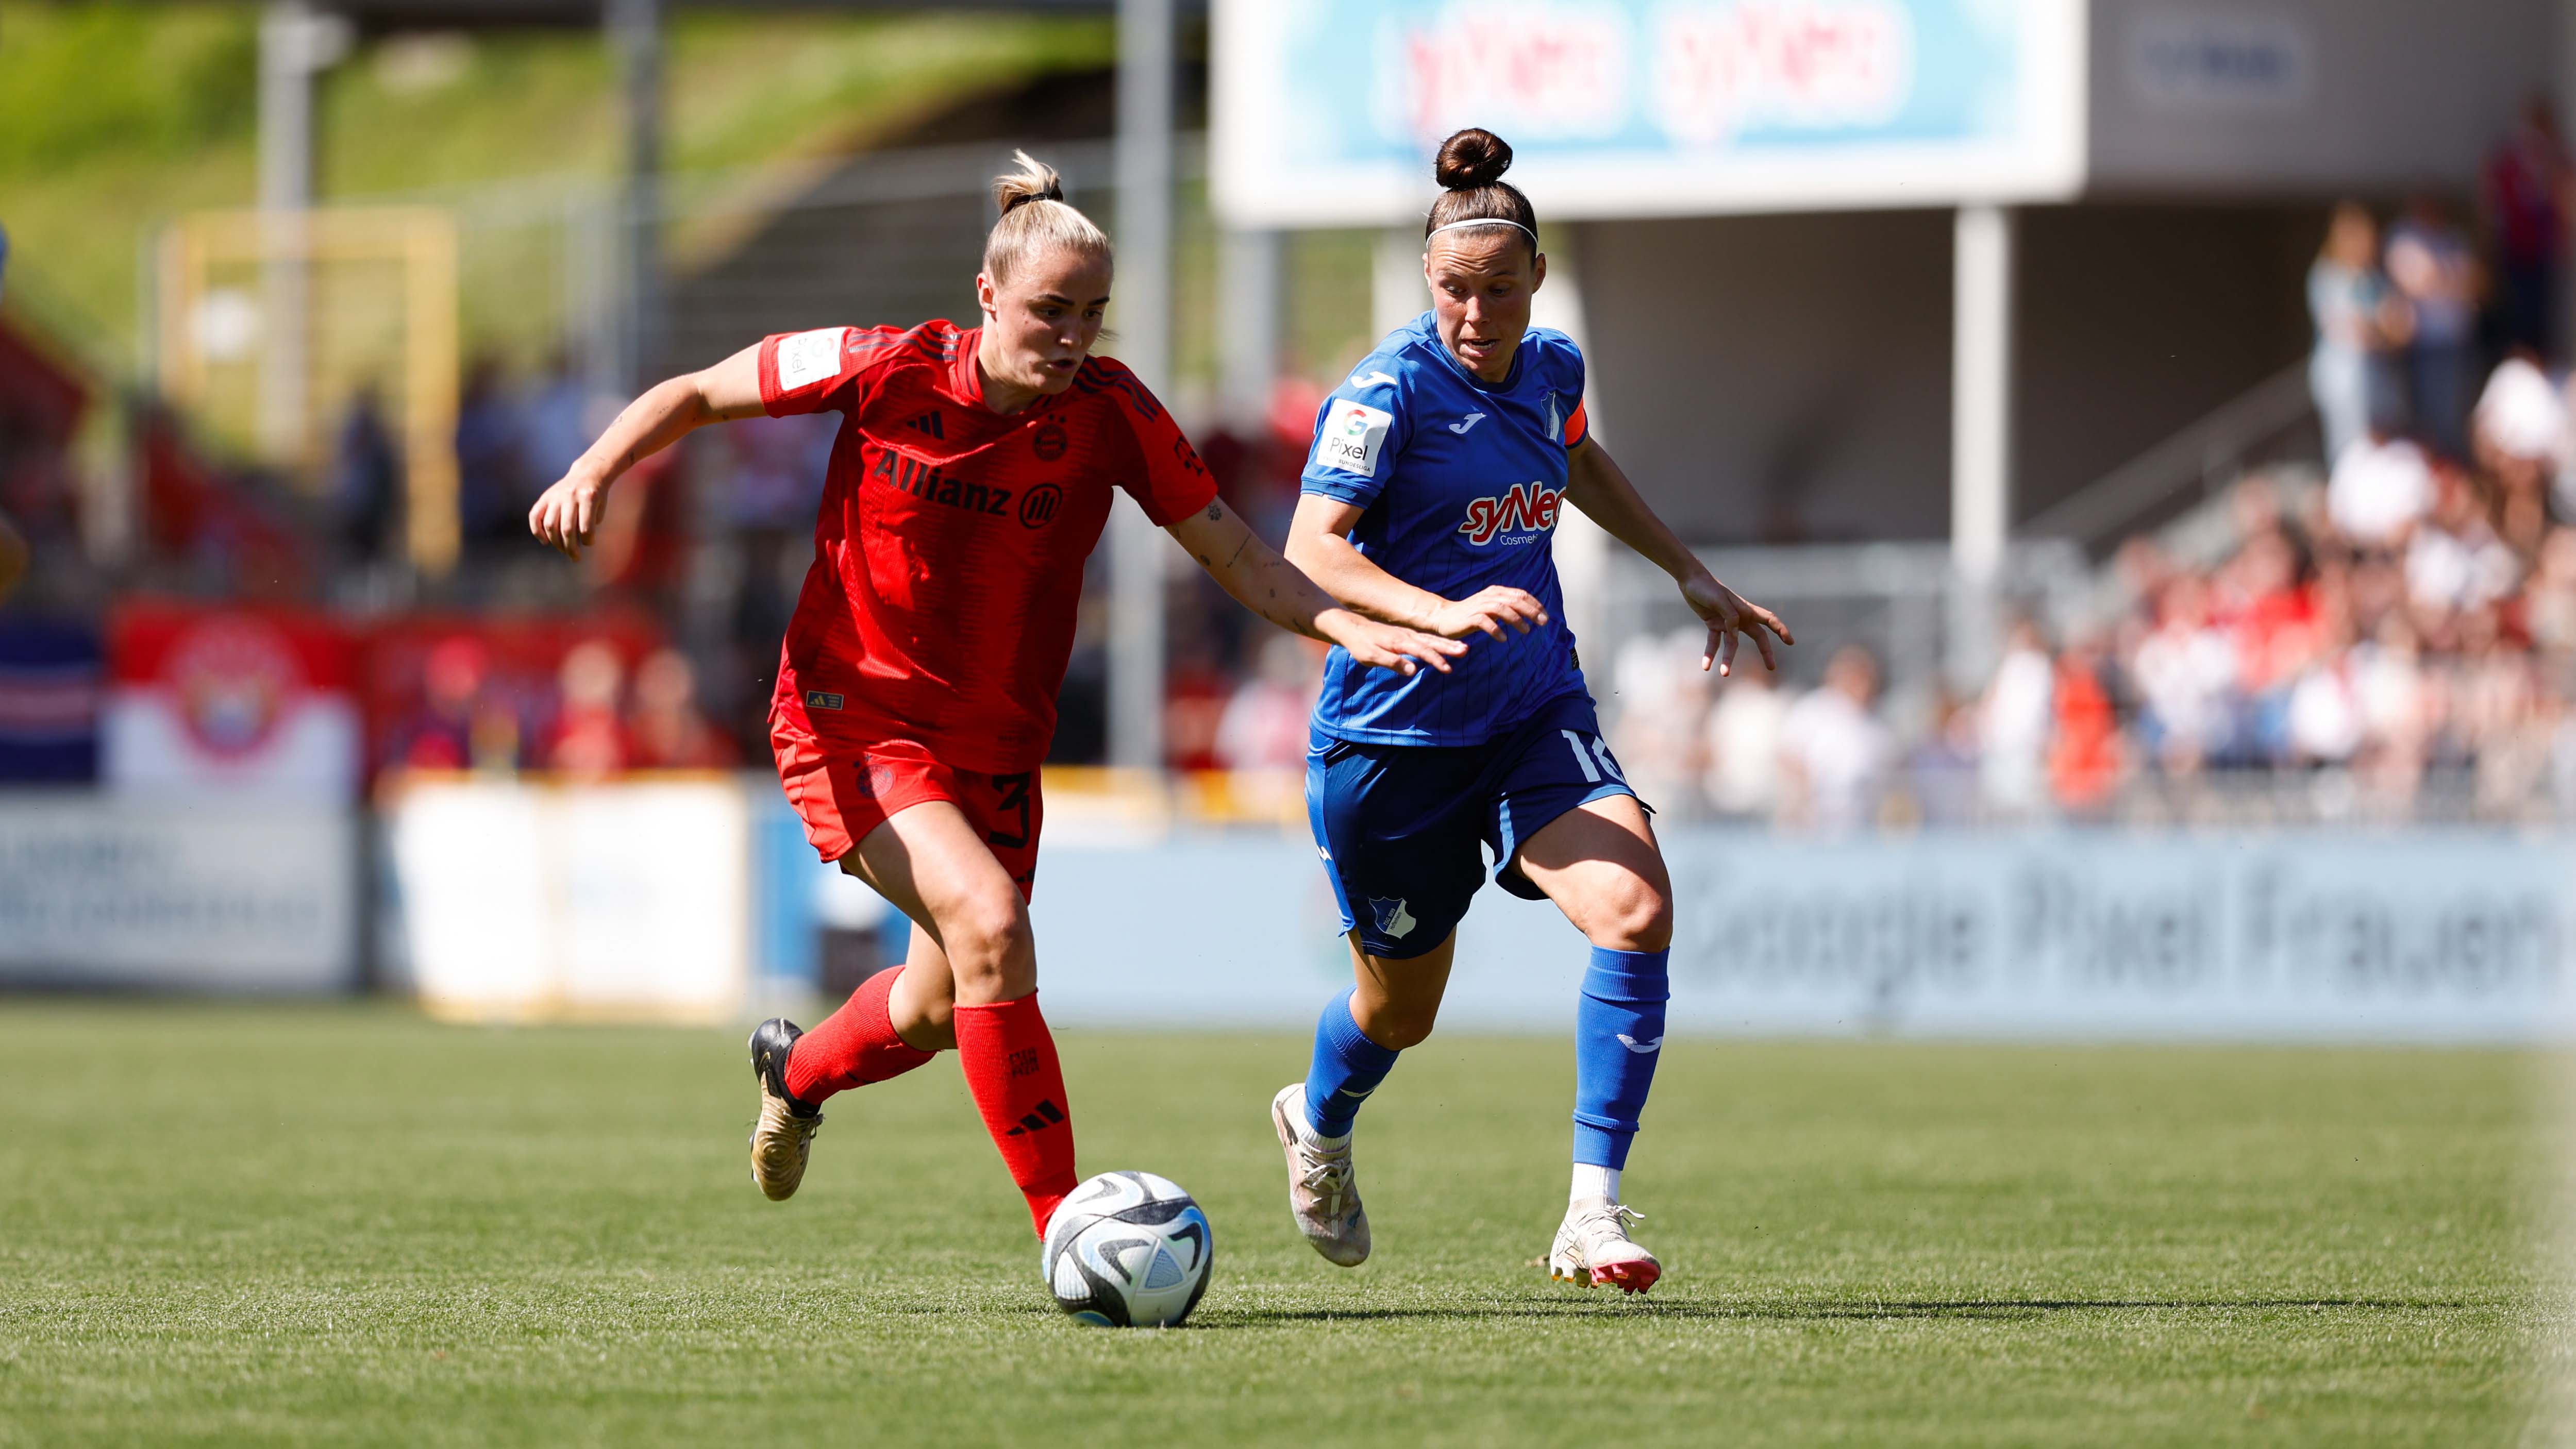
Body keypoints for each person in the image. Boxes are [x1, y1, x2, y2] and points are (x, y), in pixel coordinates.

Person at [528, 153, 1460, 1245]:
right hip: (852, 717)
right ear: (987, 296)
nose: (1072, 336)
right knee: (991, 923)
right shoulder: (885, 365)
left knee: (936, 1004)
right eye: (1050, 310)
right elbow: (693, 392)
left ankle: (796, 1073)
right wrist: (595, 466)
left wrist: (1347, 624)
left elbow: (1243, 557)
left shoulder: (1112, 413)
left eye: (1092, 315)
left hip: (999, 748)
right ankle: (1069, 1227)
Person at [1265, 129, 1790, 1296]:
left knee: (1637, 902)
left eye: (1499, 287)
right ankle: (1321, 1116)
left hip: (1530, 705)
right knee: (1399, 1012)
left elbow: (1579, 460)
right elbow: (1312, 548)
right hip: (1390, 736)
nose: (1475, 310)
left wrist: (1684, 568)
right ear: (1427, 282)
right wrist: (1432, 611)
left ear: (1537, 280)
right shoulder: (1384, 390)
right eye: (1454, 287)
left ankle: (1590, 1211)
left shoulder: (1552, 369)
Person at [2307, 203, 2410, 464]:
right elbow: (2346, 326)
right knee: (2348, 447)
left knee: (2382, 447)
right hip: (2344, 377)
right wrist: (2379, 326)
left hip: (2378, 377)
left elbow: (2401, 326)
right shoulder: (2327, 275)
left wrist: (2381, 327)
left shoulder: (2373, 279)